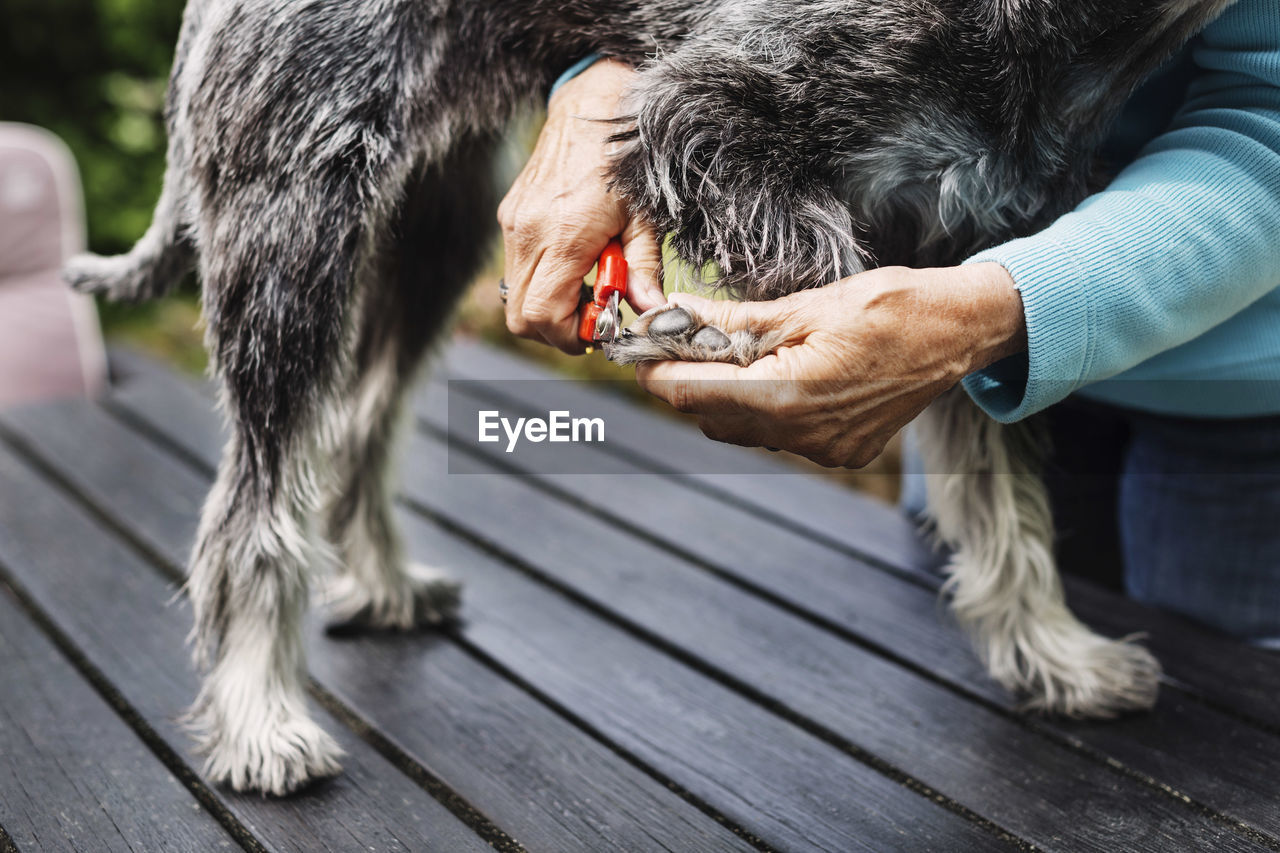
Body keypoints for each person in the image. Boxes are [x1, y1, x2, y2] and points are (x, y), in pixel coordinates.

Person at [496, 0, 1280, 643]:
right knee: (946, 709)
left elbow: (1267, 118)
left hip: (1235, 392)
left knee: (1216, 754)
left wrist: (981, 313)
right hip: (946, 351)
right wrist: (609, 72)